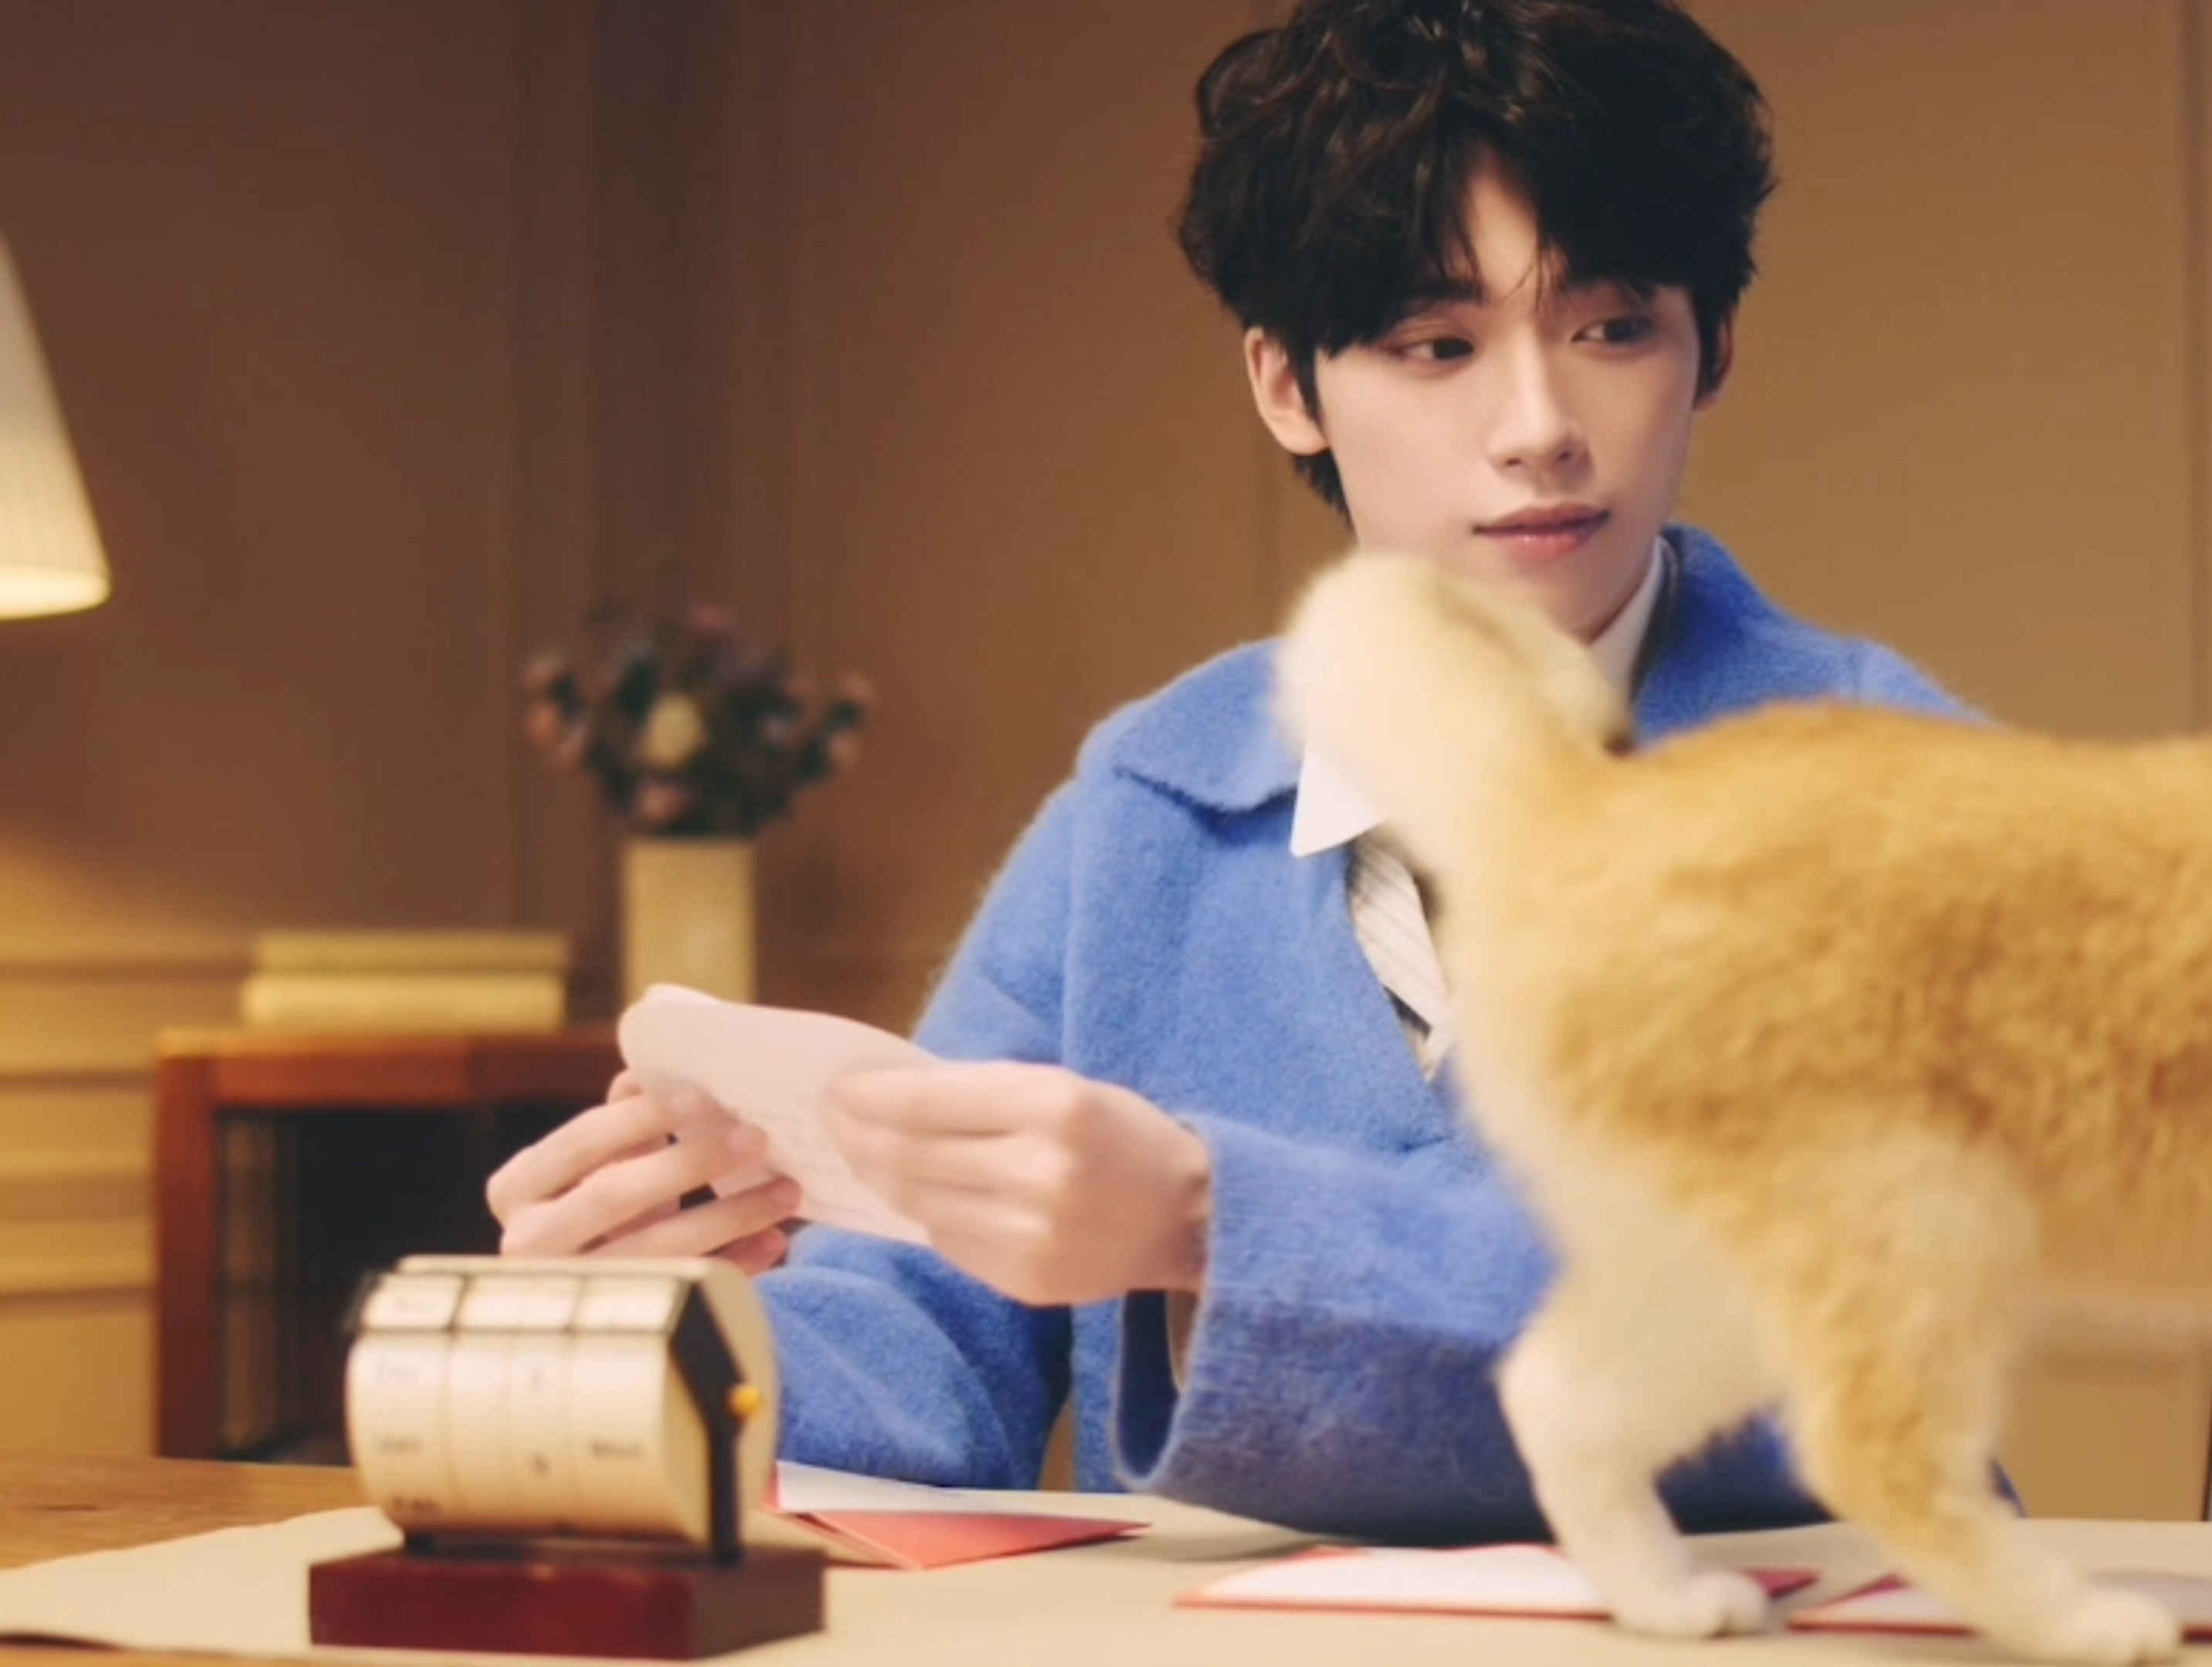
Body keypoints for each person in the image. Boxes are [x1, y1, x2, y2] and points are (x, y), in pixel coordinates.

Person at [487, 0, 1964, 1544]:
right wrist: (667, 1328)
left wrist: (1210, 1224)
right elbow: (927, 1342)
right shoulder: (1149, 809)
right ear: (1286, 384)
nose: (1539, 429)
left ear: (1711, 344)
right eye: (1437, 346)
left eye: (1611, 329)